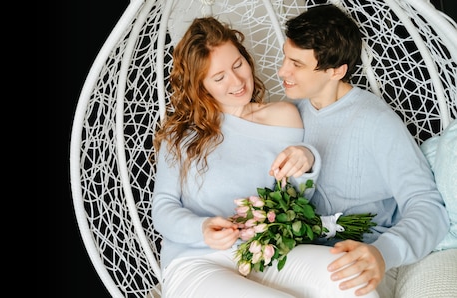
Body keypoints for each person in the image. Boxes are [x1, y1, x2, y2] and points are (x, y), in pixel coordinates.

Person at [151, 16, 378, 298]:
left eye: (238, 65)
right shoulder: (182, 136)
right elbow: (162, 208)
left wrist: (306, 158)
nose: (236, 81)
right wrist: (202, 229)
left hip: (267, 252)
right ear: (200, 86)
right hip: (197, 262)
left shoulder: (283, 116)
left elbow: (295, 200)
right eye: (219, 77)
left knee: (352, 280)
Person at [270, 4, 450, 297]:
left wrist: (383, 253)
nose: (282, 71)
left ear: (336, 71)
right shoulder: (290, 112)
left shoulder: (377, 123)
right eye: (285, 57)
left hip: (362, 260)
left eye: (297, 64)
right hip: (304, 255)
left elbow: (428, 207)